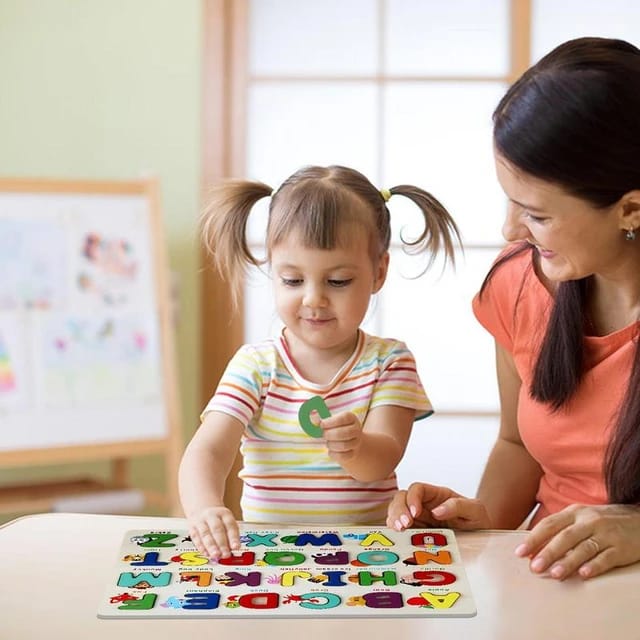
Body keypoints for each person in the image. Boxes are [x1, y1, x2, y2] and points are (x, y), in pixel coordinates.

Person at [387, 36, 640, 581]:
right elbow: (517, 443)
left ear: (631, 208)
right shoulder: (518, 283)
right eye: (510, 201)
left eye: (537, 214)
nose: (509, 230)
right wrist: (481, 522)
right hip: (549, 587)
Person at [180, 164, 461, 559]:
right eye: (293, 281)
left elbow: (380, 462)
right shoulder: (256, 365)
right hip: (271, 556)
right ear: (272, 271)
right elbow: (207, 451)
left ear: (378, 272)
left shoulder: (389, 362)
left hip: (365, 556)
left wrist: (356, 447)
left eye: (338, 281)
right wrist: (204, 507)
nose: (313, 299)